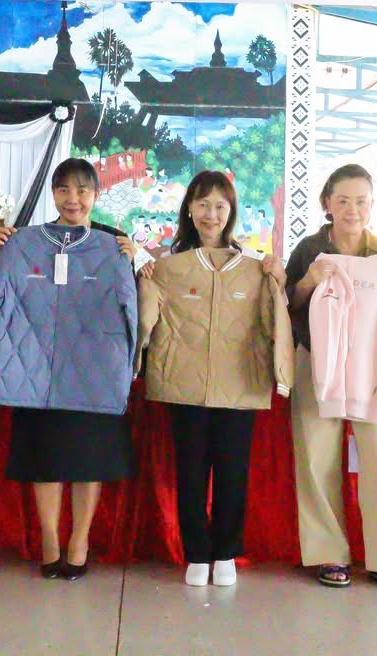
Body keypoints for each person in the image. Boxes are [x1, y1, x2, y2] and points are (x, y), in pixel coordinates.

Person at [138, 171, 288, 587]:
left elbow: (276, 321)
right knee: (189, 472)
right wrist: (143, 278)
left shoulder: (255, 267)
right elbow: (145, 320)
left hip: (241, 385)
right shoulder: (167, 267)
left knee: (232, 473)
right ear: (189, 208)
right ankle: (196, 553)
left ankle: (226, 551)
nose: (211, 214)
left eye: (220, 206)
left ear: (231, 212)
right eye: (203, 204)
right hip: (184, 385)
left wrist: (279, 279)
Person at [0, 158, 140, 580]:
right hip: (35, 369)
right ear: (53, 194)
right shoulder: (24, 242)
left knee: (89, 461)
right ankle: (49, 540)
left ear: (96, 194)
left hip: (95, 370)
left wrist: (134, 259)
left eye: (82, 190)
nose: (72, 199)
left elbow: (133, 307)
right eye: (63, 190)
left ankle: (80, 541)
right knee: (45, 459)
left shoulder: (114, 245)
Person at [284, 163, 377, 591]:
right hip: (316, 360)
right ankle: (328, 553)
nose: (352, 209)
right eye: (343, 200)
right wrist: (308, 282)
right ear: (327, 203)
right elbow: (287, 305)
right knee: (317, 456)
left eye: (360, 201)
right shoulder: (309, 250)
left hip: (371, 363)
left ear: (372, 204)